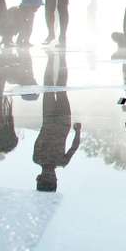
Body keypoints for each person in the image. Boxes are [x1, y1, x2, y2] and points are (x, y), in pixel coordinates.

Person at [34, 53, 81, 192]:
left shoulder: (38, 158)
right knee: (61, 89)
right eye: (52, 178)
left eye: (46, 177)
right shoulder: (60, 162)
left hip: (52, 120)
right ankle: (60, 56)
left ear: (39, 177)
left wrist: (76, 132)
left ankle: (51, 57)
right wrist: (77, 131)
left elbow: (40, 138)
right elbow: (74, 146)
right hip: (59, 122)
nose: (50, 175)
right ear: (55, 178)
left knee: (49, 88)